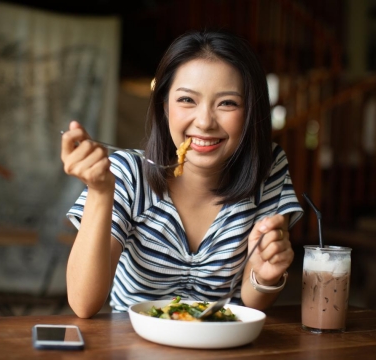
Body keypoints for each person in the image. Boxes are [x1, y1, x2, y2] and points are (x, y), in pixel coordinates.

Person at [61, 29, 303, 318]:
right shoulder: (126, 174)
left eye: (227, 103)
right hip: (133, 343)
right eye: (187, 100)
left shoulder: (268, 169)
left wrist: (264, 276)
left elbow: (252, 303)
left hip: (223, 343)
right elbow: (83, 303)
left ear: (251, 111)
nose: (204, 122)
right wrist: (101, 192)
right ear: (165, 106)